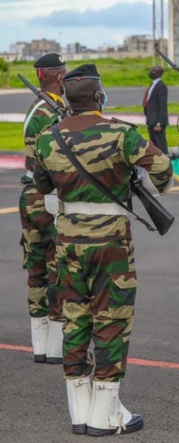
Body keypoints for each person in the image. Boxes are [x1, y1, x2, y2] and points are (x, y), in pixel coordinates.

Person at [33, 64, 173, 436]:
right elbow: (162, 169)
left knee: (74, 318)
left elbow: (42, 183)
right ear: (99, 97)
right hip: (110, 241)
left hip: (68, 242)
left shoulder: (49, 137)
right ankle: (106, 412)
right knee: (111, 320)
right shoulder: (121, 134)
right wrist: (136, 178)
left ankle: (79, 410)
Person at [19, 53, 67, 364]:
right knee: (56, 269)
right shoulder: (50, 112)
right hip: (46, 193)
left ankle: (40, 343)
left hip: (28, 193)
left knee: (36, 269)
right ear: (58, 77)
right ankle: (55, 345)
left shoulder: (38, 108)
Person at [143, 65, 169, 154]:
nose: (151, 72)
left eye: (153, 71)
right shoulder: (153, 85)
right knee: (154, 145)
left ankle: (166, 161)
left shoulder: (161, 86)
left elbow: (162, 106)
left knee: (160, 145)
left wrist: (159, 123)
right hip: (151, 121)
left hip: (157, 122)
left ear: (158, 73)